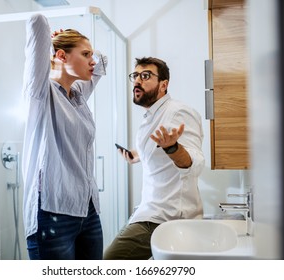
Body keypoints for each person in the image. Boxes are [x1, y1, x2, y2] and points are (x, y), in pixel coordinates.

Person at [21, 14, 107, 260]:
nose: (92, 60)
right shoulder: (40, 93)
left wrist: (79, 46)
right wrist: (52, 41)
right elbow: (36, 21)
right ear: (61, 56)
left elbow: (103, 62)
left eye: (91, 54)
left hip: (87, 211)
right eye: (85, 54)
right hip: (53, 213)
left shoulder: (77, 95)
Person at [103, 57, 205, 260]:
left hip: (168, 216)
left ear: (163, 85)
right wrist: (137, 155)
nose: (137, 81)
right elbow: (158, 149)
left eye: (146, 76)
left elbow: (195, 163)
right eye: (135, 76)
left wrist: (173, 147)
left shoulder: (178, 112)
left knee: (111, 260)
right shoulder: (152, 115)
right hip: (152, 211)